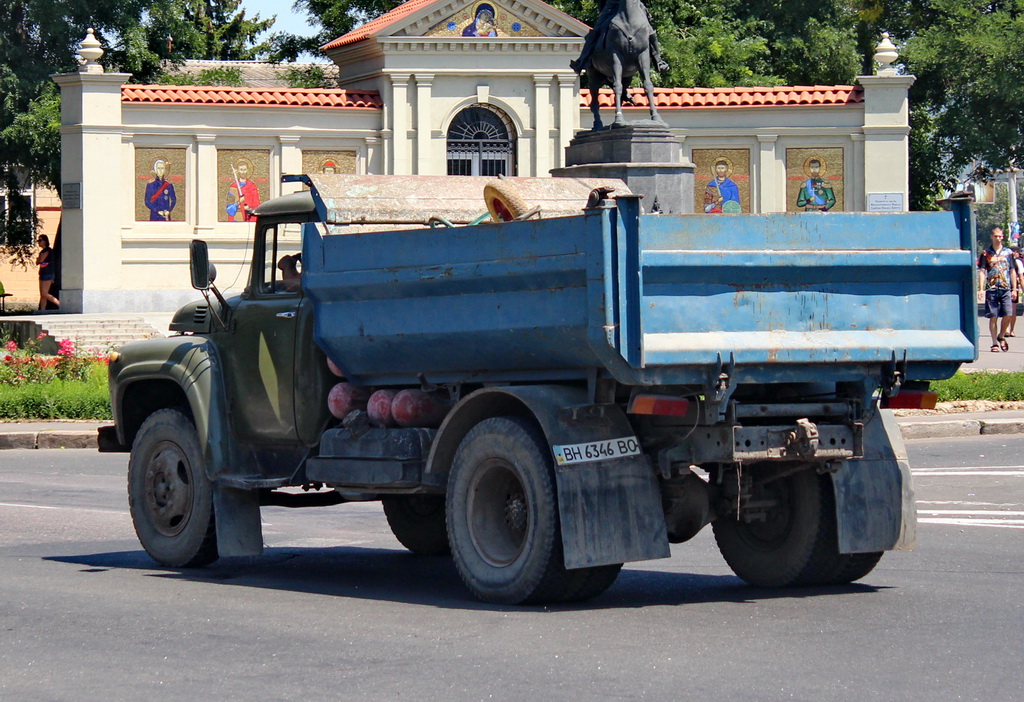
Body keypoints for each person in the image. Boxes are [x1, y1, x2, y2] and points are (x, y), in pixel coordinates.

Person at [569, 0, 668, 75]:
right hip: (613, 4)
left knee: (649, 30)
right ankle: (582, 60)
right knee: (596, 30)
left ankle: (658, 60)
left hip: (634, 4)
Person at [978, 227, 1017, 352]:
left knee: (1008, 314)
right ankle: (994, 343)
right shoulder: (986, 253)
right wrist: (981, 288)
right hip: (992, 288)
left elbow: (1012, 270)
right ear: (991, 237)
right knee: (993, 316)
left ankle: (1001, 335)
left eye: (1000, 236)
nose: (998, 238)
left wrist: (1015, 289)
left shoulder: (1008, 252)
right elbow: (983, 271)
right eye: (996, 236)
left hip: (1006, 287)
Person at [36, 234, 59, 310]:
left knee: (45, 293)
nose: (39, 242)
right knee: (42, 295)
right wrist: (39, 259)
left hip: (48, 274)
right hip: (42, 273)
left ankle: (60, 304)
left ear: (45, 241)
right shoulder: (42, 252)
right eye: (38, 241)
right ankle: (42, 310)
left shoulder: (48, 250)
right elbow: (37, 262)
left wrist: (39, 259)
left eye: (40, 240)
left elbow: (40, 260)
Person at [1007, 247, 1024, 337]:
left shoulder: (1004, 261)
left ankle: (1006, 329)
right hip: (1014, 287)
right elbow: (1021, 277)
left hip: (1005, 286)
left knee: (1006, 308)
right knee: (1013, 309)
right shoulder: (1018, 262)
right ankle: (1011, 330)